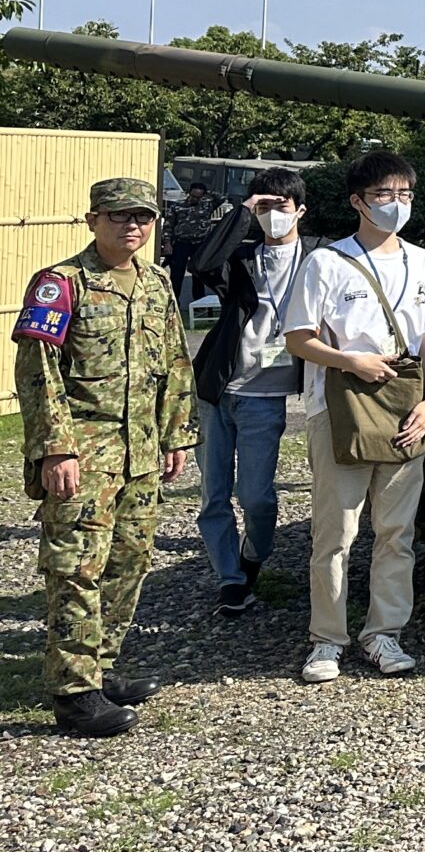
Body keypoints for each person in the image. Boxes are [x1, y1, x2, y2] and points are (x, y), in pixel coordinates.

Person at [13, 176, 192, 737]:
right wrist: (55, 448)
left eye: (142, 216)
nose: (132, 226)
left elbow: (176, 364)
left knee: (129, 564)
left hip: (140, 455)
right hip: (84, 457)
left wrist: (175, 436)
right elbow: (38, 375)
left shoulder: (156, 283)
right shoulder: (59, 284)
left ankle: (101, 666)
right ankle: (73, 693)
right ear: (93, 221)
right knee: (76, 570)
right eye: (118, 216)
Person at [283, 150, 425, 685]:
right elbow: (298, 337)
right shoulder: (327, 262)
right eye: (385, 194)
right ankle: (327, 640)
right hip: (340, 407)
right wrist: (349, 359)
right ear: (358, 201)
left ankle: (384, 634)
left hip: (407, 405)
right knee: (335, 530)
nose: (397, 204)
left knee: (396, 531)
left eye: (405, 194)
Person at [188, 165, 322, 617]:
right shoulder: (243, 256)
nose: (272, 216)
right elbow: (202, 263)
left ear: (300, 210)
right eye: (262, 207)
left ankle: (254, 555)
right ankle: (230, 579)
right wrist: (242, 214)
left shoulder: (318, 257)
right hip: (219, 385)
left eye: (279, 207)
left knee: (257, 497)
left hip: (267, 395)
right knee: (213, 492)